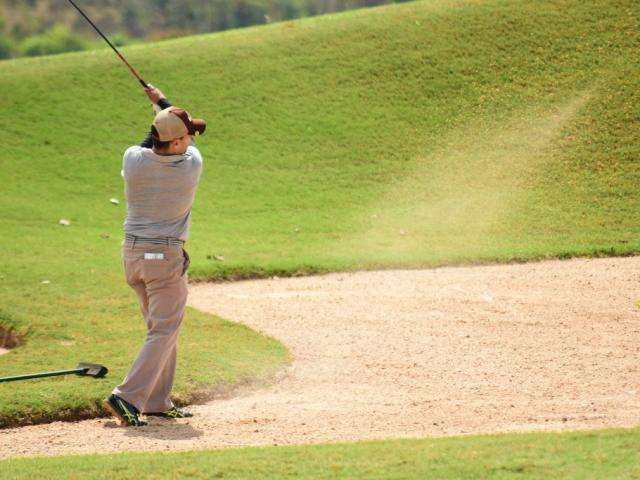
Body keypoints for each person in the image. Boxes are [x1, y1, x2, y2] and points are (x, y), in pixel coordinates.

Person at [103, 85, 206, 426]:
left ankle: (158, 400)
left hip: (132, 255)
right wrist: (160, 101)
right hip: (164, 258)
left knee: (161, 329)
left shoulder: (131, 159)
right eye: (188, 136)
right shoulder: (190, 165)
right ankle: (127, 397)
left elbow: (151, 140)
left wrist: (162, 112)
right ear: (176, 143)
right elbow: (169, 134)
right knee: (164, 329)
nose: (191, 141)